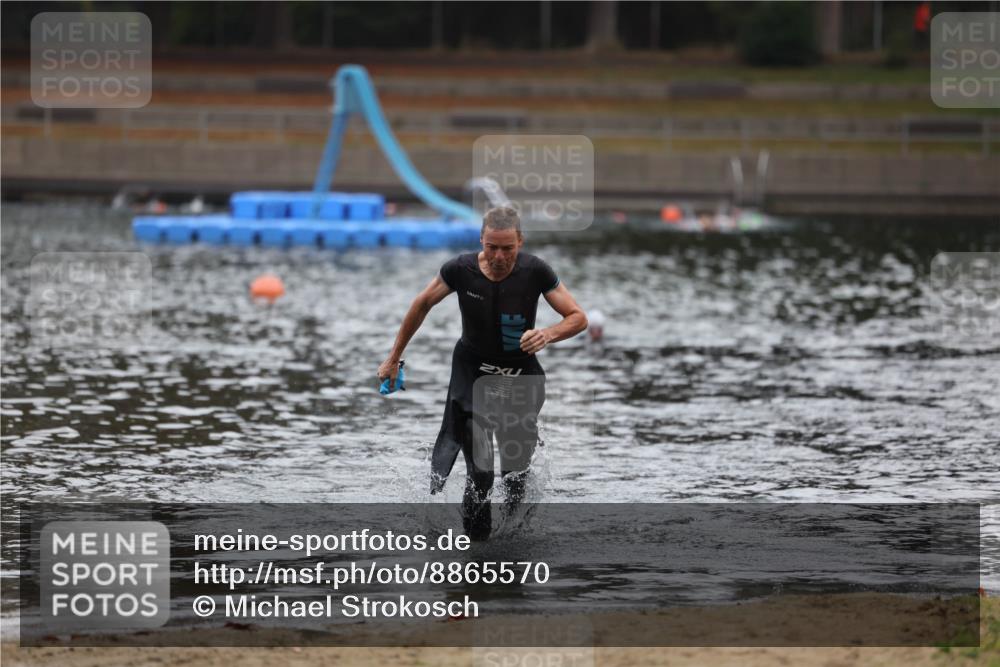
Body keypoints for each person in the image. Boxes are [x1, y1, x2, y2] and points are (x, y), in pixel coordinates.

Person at [378, 206, 587, 539]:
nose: (499, 256)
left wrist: (547, 333)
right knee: (481, 471)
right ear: (481, 240)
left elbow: (578, 317)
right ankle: (476, 555)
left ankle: (512, 540)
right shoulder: (459, 269)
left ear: (520, 241)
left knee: (515, 474)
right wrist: (394, 358)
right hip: (471, 374)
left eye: (507, 248)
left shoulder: (536, 272)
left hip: (520, 377)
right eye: (492, 247)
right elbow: (422, 304)